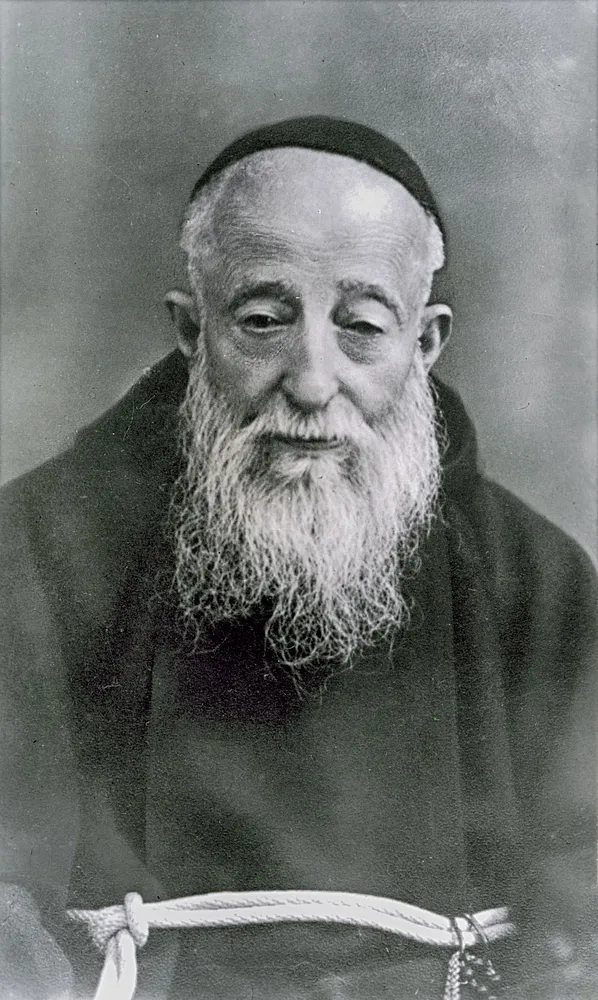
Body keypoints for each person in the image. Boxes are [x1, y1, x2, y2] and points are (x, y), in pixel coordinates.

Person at [0, 117, 596, 1000]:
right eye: (263, 321)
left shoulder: (536, 585)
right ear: (192, 330)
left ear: (424, 343)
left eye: (362, 326)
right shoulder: (33, 551)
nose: (312, 382)